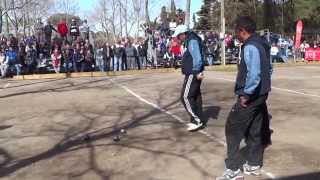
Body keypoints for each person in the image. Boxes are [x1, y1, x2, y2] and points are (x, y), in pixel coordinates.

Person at [216, 16, 272, 180]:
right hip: (261, 95)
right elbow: (269, 69)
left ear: (242, 30)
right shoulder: (262, 43)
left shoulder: (250, 46)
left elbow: (254, 74)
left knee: (232, 129)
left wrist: (246, 94)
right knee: (255, 129)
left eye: (236, 31)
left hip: (251, 96)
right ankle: (254, 164)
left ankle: (233, 169)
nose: (235, 35)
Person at [172, 25, 205, 131]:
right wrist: (181, 64)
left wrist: (196, 71)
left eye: (178, 36)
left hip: (193, 73)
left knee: (185, 96)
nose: (178, 38)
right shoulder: (190, 40)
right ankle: (198, 118)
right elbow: (191, 57)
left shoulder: (192, 40)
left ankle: (196, 120)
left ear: (183, 34)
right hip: (193, 72)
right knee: (195, 96)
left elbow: (197, 58)